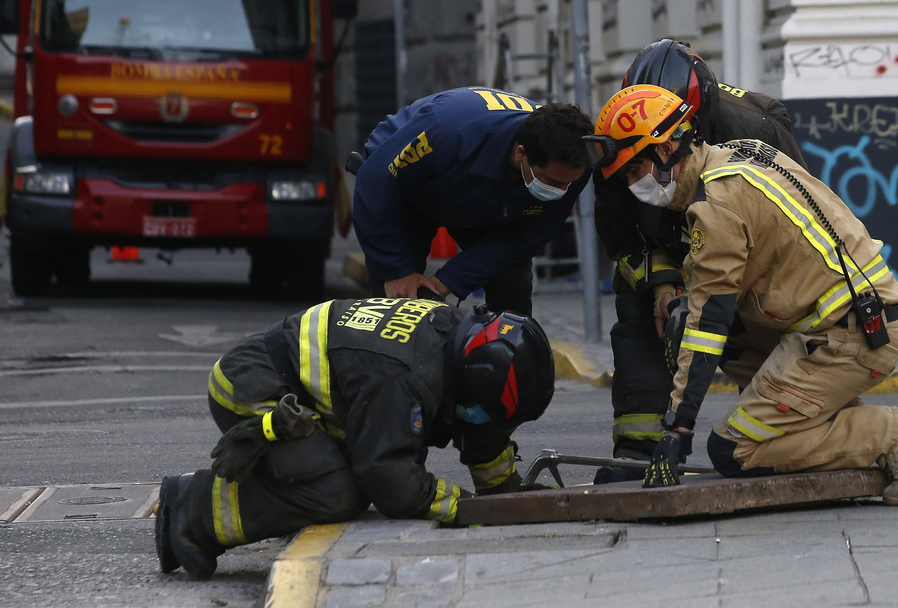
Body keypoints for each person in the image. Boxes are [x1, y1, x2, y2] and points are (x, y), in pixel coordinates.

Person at [584, 85, 898, 505]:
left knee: (734, 450)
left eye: (634, 167)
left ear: (667, 148)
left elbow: (706, 326)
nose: (632, 182)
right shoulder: (741, 152)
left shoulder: (715, 206)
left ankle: (893, 433)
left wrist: (678, 429)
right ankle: (833, 424)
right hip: (853, 318)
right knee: (719, 334)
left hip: (846, 338)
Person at [155, 297, 556, 580]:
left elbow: (481, 427)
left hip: (302, 390)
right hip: (260, 392)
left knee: (363, 466)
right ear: (477, 376)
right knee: (339, 492)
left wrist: (506, 494)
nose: (485, 420)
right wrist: (463, 508)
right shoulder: (405, 376)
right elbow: (387, 476)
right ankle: (194, 511)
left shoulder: (457, 338)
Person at [591, 39, 809, 481]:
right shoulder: (619, 136)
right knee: (637, 305)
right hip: (668, 253)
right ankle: (638, 447)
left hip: (741, 256)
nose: (663, 148)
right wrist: (664, 290)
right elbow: (623, 239)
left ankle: (789, 419)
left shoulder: (757, 130)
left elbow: (797, 221)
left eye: (671, 137)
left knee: (729, 321)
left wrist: (704, 293)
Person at [350, 87, 594, 316]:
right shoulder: (445, 131)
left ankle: (510, 355)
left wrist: (448, 281)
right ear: (521, 153)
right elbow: (374, 186)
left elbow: (521, 240)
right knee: (397, 299)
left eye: (568, 184)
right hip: (411, 182)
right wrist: (396, 271)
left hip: (484, 197)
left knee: (513, 287)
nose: (561, 191)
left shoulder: (574, 162)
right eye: (549, 181)